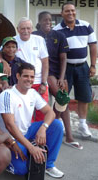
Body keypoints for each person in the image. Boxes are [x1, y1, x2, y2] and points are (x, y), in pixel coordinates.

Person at [0, 62, 64, 179]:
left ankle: (48, 165)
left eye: (32, 77)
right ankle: (9, 160)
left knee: (57, 125)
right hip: (11, 139)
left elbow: (50, 113)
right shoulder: (7, 95)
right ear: (18, 76)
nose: (29, 79)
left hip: (27, 132)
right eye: (26, 76)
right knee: (21, 170)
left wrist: (44, 128)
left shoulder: (33, 93)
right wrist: (31, 147)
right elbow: (10, 125)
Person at [33, 12, 82, 149]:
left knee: (63, 100)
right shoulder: (34, 36)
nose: (48, 22)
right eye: (45, 20)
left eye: (50, 20)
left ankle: (67, 135)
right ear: (39, 21)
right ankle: (53, 126)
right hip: (43, 72)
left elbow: (63, 59)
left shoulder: (59, 36)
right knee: (61, 99)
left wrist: (62, 77)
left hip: (58, 73)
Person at [53, 2, 98, 138]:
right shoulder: (56, 30)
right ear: (62, 13)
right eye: (67, 11)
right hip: (65, 69)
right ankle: (57, 125)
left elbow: (93, 45)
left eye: (72, 10)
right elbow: (54, 53)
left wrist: (93, 65)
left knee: (84, 96)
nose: (70, 13)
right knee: (62, 97)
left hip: (82, 67)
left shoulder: (85, 25)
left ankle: (82, 125)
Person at [0, 18, 49, 121]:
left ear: (32, 29)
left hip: (39, 82)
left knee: (42, 113)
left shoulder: (39, 40)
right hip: (21, 83)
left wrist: (44, 83)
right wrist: (3, 62)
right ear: (18, 29)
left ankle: (40, 134)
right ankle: (26, 135)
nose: (25, 31)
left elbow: (45, 62)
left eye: (28, 28)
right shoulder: (12, 40)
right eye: (22, 28)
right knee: (25, 113)